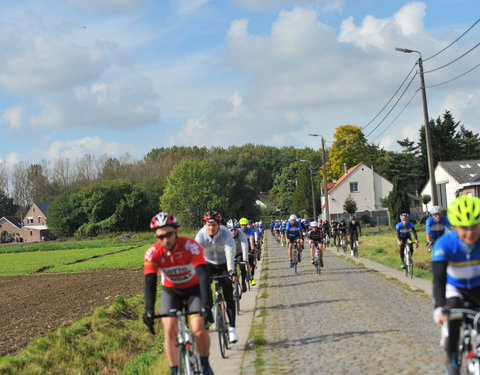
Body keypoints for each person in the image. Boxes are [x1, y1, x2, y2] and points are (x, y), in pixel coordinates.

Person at [143, 212, 214, 375]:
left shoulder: (190, 246)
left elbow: (203, 275)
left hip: (193, 290)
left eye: (168, 234)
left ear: (175, 231)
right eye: (160, 236)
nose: (165, 240)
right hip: (171, 292)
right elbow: (150, 283)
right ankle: (175, 371)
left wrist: (206, 303)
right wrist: (149, 309)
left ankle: (205, 364)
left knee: (198, 328)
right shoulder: (152, 253)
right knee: (168, 329)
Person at [432, 196, 480, 375]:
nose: (469, 233)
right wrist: (439, 307)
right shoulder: (445, 244)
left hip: (477, 288)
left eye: (474, 226)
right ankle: (452, 357)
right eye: (464, 228)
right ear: (454, 226)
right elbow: (438, 279)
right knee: (452, 319)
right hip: (454, 289)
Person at [195, 210, 238, 344]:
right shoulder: (201, 235)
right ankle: (210, 317)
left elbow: (230, 251)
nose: (211, 228)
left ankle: (232, 328)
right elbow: (196, 254)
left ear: (219, 225)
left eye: (214, 225)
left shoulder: (225, 233)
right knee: (203, 290)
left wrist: (231, 270)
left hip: (224, 263)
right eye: (208, 225)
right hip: (208, 264)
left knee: (228, 295)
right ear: (205, 225)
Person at [227, 219, 249, 293]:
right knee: (229, 269)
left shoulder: (241, 234)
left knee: (241, 265)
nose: (233, 232)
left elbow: (244, 246)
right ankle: (232, 284)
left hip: (239, 252)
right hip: (230, 254)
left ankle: (243, 282)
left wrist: (245, 258)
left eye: (235, 230)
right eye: (231, 230)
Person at [239, 217, 257, 286]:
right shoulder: (239, 231)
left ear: (247, 225)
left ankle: (253, 278)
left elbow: (251, 241)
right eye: (242, 225)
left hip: (249, 247)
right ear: (240, 225)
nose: (243, 226)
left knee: (251, 262)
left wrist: (252, 250)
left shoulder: (250, 230)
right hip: (241, 248)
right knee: (242, 265)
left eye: (245, 225)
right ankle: (244, 274)